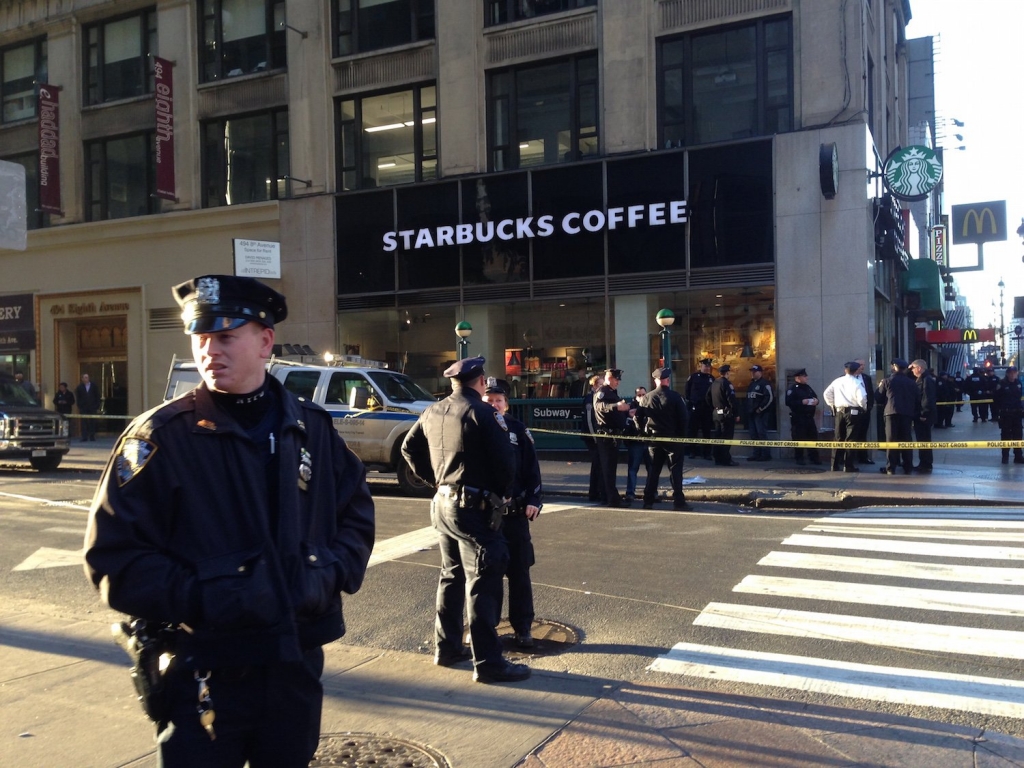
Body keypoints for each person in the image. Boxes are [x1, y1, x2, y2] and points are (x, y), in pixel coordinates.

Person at [84, 274, 375, 767]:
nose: (208, 350)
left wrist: (326, 572)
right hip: (205, 671)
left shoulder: (311, 429)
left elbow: (356, 514)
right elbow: (113, 557)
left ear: (265, 342)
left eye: (224, 336)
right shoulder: (161, 437)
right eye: (200, 338)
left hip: (294, 666)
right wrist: (208, 594)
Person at [401, 356, 529, 684]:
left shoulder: (433, 410)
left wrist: (438, 480)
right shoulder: (484, 414)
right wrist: (500, 495)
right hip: (474, 508)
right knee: (485, 579)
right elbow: (506, 465)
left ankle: (447, 647)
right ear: (481, 382)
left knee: (452, 575)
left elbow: (408, 448)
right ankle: (488, 662)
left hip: (443, 503)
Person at [482, 378, 542, 648]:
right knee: (489, 575)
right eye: (489, 399)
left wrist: (534, 500)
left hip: (516, 516)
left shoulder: (518, 430)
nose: (494, 404)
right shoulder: (476, 427)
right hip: (487, 516)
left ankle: (523, 628)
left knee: (520, 574)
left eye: (498, 400)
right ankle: (487, 627)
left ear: (506, 404)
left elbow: (533, 471)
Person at [636, 367, 690, 510]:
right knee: (676, 471)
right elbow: (684, 419)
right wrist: (681, 437)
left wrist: (643, 433)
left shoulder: (647, 397)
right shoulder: (675, 396)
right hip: (673, 438)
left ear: (655, 381)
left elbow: (637, 417)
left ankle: (648, 500)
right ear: (667, 380)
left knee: (654, 471)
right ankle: (678, 501)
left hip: (654, 438)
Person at [593, 368, 633, 507]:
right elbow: (600, 407)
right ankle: (613, 499)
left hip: (612, 435)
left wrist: (627, 411)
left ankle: (606, 495)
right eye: (616, 379)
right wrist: (616, 406)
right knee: (609, 468)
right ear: (609, 378)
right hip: (606, 436)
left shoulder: (611, 392)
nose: (618, 382)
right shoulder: (603, 392)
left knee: (608, 467)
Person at [823, 361, 868, 472]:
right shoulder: (857, 382)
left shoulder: (837, 381)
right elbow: (862, 398)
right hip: (853, 412)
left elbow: (826, 394)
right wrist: (864, 407)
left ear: (845, 370)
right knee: (851, 439)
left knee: (838, 438)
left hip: (839, 411)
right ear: (856, 371)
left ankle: (834, 464)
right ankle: (848, 465)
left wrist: (832, 404)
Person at [875, 358, 917, 474]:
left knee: (891, 440)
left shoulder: (887, 381)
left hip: (891, 413)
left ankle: (890, 467)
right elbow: (916, 399)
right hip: (907, 414)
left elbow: (878, 397)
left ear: (894, 367)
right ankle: (908, 466)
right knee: (906, 440)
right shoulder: (912, 383)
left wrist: (879, 386)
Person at [785, 369, 822, 465]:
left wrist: (816, 401)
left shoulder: (808, 387)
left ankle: (814, 457)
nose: (807, 378)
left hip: (809, 417)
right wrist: (801, 402)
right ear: (798, 378)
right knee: (798, 438)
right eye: (804, 376)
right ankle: (799, 458)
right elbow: (788, 402)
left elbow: (815, 397)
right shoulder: (792, 389)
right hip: (798, 418)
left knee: (813, 438)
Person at [707, 364, 739, 466]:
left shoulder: (714, 383)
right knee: (726, 437)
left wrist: (714, 407)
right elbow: (732, 400)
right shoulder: (726, 384)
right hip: (726, 414)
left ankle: (717, 458)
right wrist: (736, 413)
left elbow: (707, 397)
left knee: (718, 436)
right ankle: (726, 459)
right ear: (727, 373)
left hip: (716, 414)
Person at [624, 385, 652, 501]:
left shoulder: (650, 406)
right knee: (633, 469)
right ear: (635, 396)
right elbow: (626, 424)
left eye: (643, 394)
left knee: (651, 469)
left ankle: (651, 493)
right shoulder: (630, 408)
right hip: (635, 442)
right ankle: (630, 493)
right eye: (639, 395)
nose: (641, 397)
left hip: (648, 441)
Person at [909, 359, 937, 473]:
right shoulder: (922, 379)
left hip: (923, 416)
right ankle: (923, 462)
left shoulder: (926, 380)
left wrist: (923, 413)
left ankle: (926, 463)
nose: (912, 371)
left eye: (913, 368)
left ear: (919, 368)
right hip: (920, 415)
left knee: (924, 439)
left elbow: (927, 398)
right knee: (922, 440)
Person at [581, 373, 605, 503]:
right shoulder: (590, 398)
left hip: (593, 437)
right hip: (592, 438)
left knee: (597, 465)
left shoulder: (596, 397)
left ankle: (595, 492)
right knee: (598, 465)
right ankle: (595, 492)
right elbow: (590, 420)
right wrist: (595, 438)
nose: (602, 386)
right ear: (594, 385)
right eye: (600, 384)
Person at [993, 365, 1023, 464]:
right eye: (1011, 373)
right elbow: (996, 399)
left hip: (1017, 413)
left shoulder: (1018, 383)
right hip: (1006, 413)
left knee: (1018, 435)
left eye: (1014, 373)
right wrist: (998, 412)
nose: (1012, 375)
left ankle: (1018, 456)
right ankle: (1005, 456)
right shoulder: (1001, 384)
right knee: (1006, 435)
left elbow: (1019, 398)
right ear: (1007, 374)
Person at [684, 358, 714, 459]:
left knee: (707, 431)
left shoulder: (711, 378)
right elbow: (687, 390)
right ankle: (692, 451)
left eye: (708, 366)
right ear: (701, 366)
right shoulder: (693, 377)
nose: (707, 368)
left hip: (706, 408)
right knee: (693, 430)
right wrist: (690, 402)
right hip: (695, 407)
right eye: (705, 366)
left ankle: (707, 453)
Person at [745, 364, 773, 461]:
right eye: (752, 371)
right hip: (751, 413)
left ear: (760, 372)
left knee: (761, 433)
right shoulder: (752, 384)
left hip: (761, 414)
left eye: (754, 371)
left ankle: (765, 454)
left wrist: (760, 408)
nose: (752, 373)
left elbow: (769, 398)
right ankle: (756, 454)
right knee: (753, 434)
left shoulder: (765, 384)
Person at [854, 358, 877, 465]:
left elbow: (870, 393)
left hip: (865, 411)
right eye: (860, 365)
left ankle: (863, 457)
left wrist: (869, 406)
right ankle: (849, 458)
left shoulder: (866, 378)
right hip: (852, 411)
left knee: (863, 434)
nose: (862, 367)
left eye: (863, 365)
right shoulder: (846, 379)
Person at [75, 372, 102, 441]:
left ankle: (92, 436)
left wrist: (97, 405)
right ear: (82, 379)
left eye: (87, 377)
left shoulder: (93, 386)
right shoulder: (79, 387)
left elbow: (97, 396)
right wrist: (80, 406)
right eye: (85, 377)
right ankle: (84, 436)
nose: (86, 379)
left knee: (92, 421)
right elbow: (78, 397)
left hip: (92, 407)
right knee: (84, 422)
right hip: (83, 407)